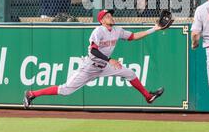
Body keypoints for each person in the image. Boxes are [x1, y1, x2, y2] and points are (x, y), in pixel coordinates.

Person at [23, 9, 164, 108]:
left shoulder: (117, 30)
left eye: (111, 15)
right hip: (90, 66)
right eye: (107, 16)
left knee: (130, 73)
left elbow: (133, 36)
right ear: (101, 20)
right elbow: (93, 51)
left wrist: (154, 29)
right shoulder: (98, 31)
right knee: (65, 90)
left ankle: (148, 97)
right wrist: (110, 60)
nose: (111, 17)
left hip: (104, 66)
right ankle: (31, 94)